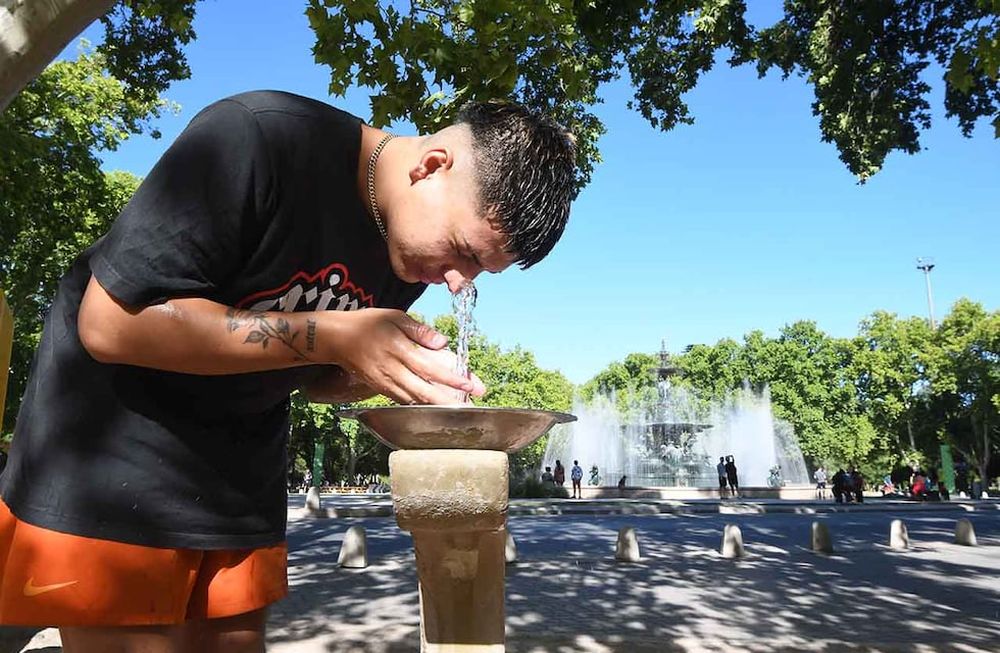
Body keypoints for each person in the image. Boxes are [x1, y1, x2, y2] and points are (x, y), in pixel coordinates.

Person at [0, 91, 576, 650]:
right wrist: (332, 334)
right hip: (112, 454)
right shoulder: (257, 139)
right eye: (463, 251)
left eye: (479, 271)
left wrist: (372, 370)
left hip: (238, 472)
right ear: (431, 166)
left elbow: (313, 378)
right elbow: (108, 324)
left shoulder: (409, 254)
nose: (457, 280)